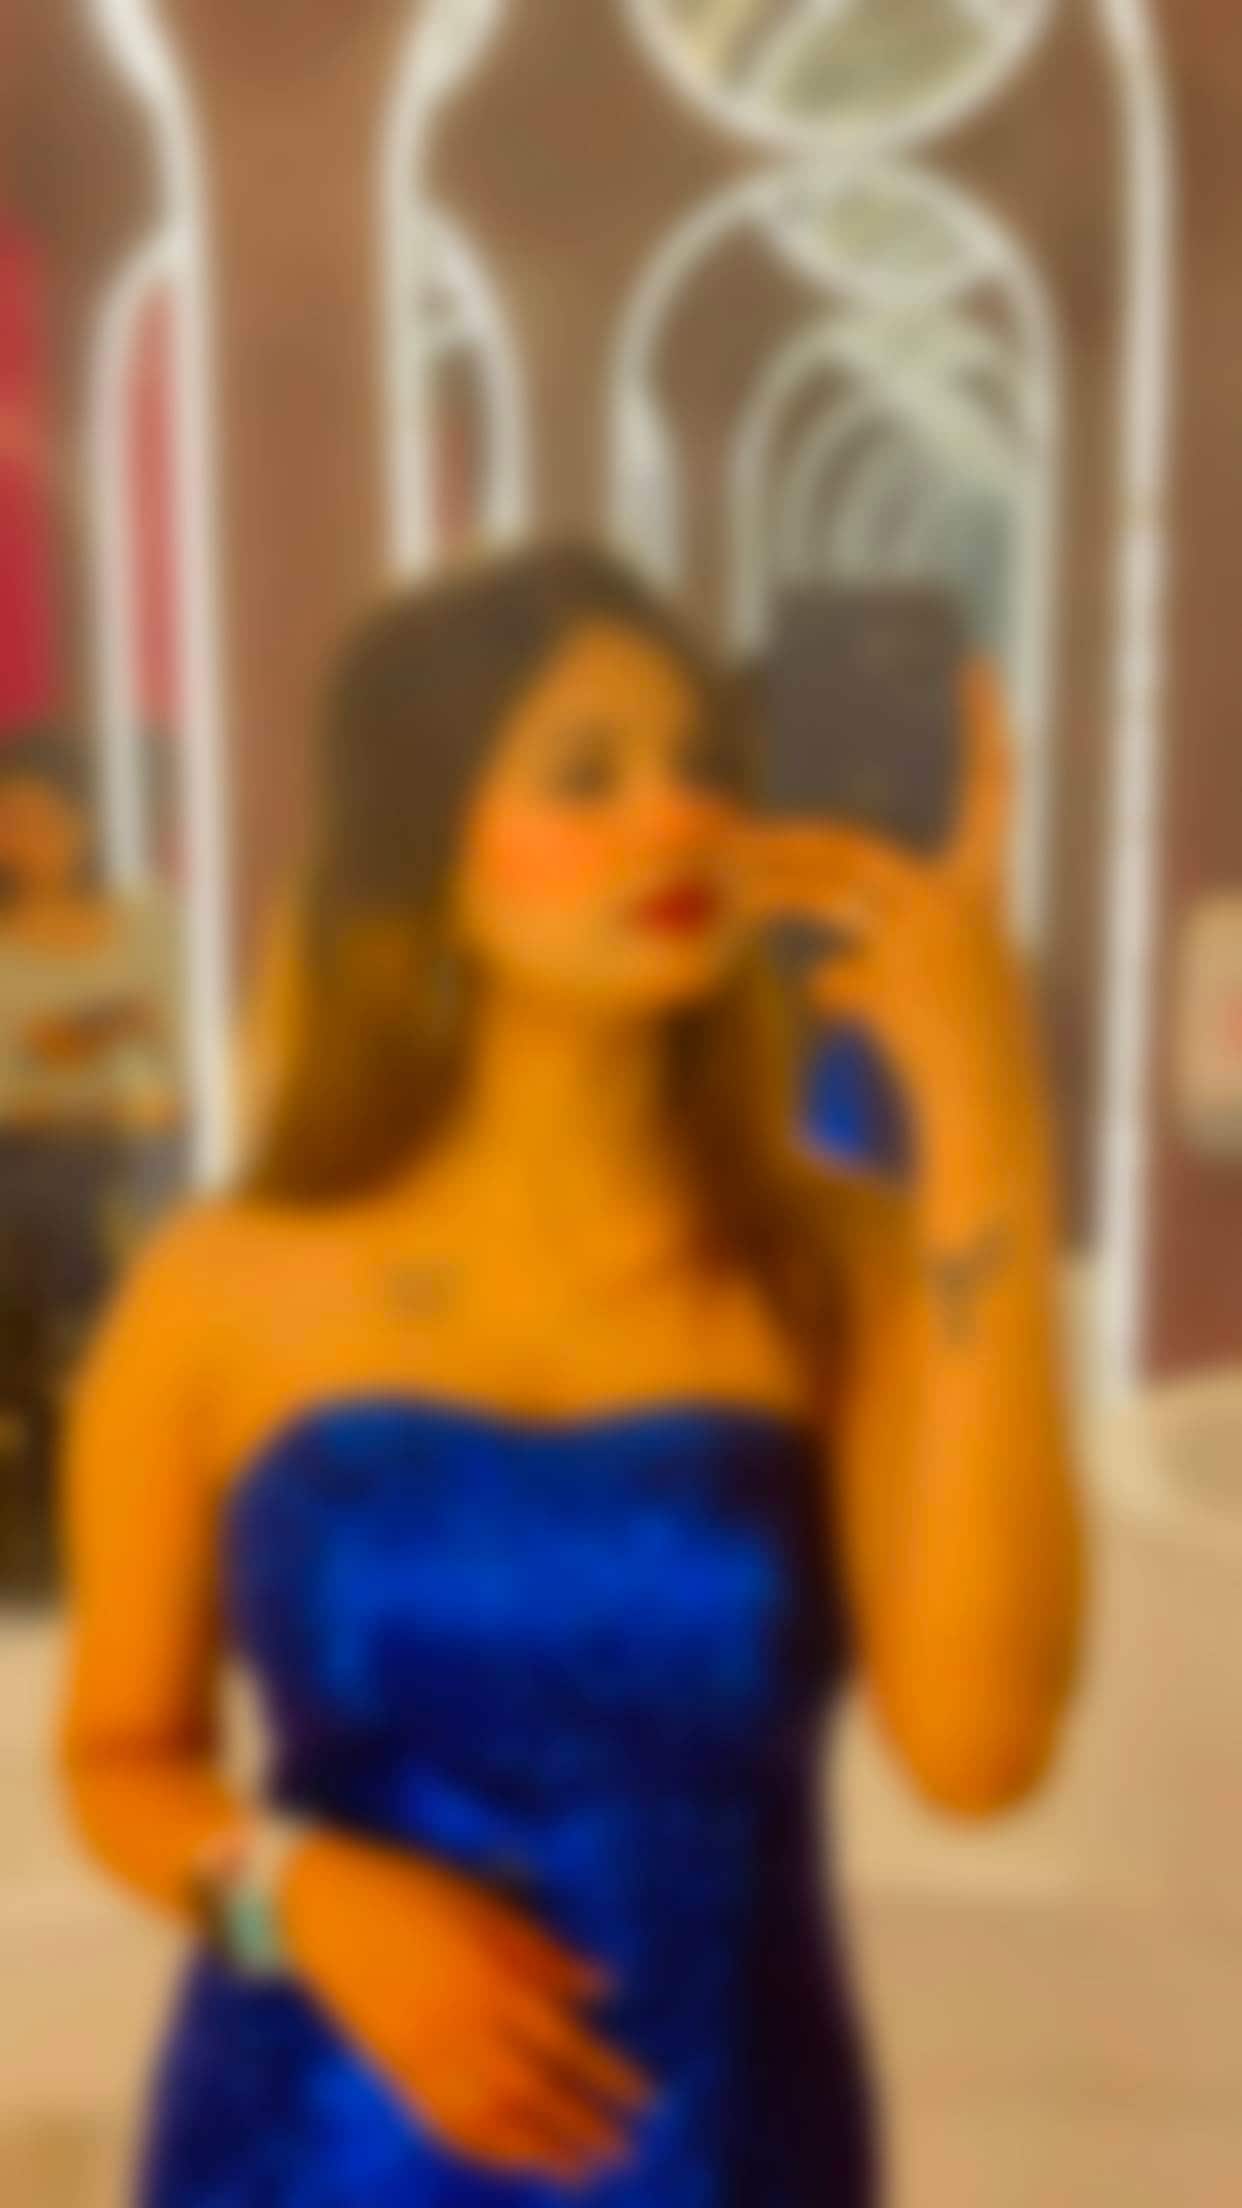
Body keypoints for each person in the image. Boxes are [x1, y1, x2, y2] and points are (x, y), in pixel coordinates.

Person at [58, 543, 1085, 2205]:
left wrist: (979, 1112)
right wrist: (299, 1896)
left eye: (703, 764)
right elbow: (119, 1759)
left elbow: (980, 1753)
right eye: (587, 774)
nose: (676, 815)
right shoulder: (221, 1289)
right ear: (423, 848)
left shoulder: (834, 1267)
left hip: (722, 2135)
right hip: (310, 2128)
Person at [0, 728, 184, 1587]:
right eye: (9, 820)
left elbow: (176, 1045)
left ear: (87, 824)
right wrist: (104, 1028)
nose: (23, 839)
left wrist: (81, 1043)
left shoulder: (150, 922)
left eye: (42, 819)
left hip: (135, 1143)